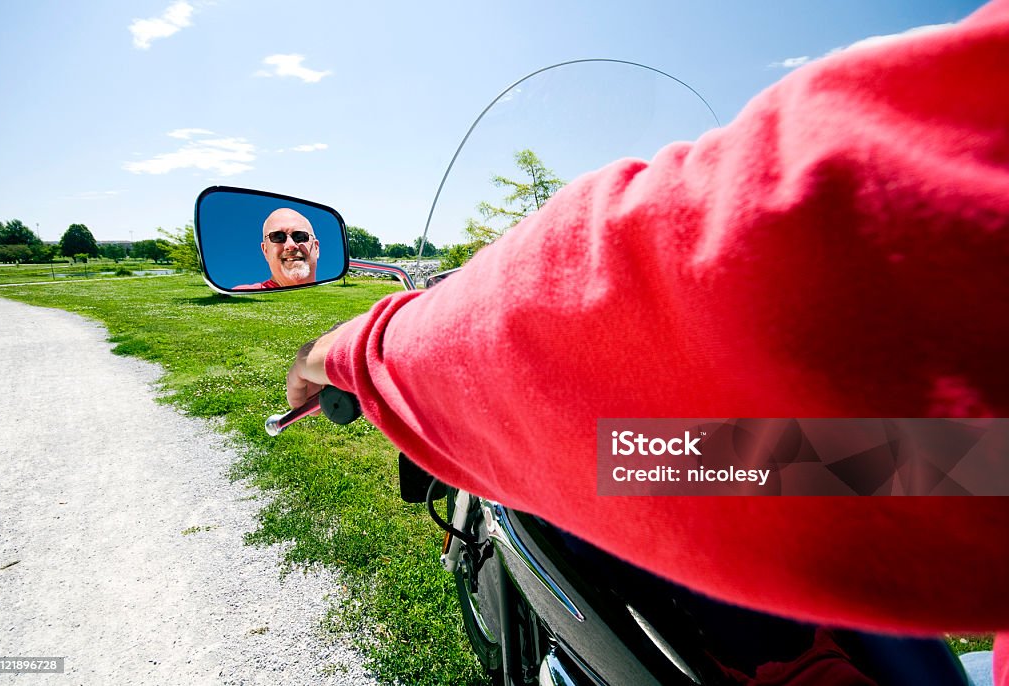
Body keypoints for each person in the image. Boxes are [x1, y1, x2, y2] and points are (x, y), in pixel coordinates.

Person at [287, 2, 1009, 683]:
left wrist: (362, 350)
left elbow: (733, 245)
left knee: (618, 455)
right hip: (969, 464)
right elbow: (953, 459)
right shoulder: (972, 443)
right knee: (712, 458)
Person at [234, 207, 319, 289]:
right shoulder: (243, 296)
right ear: (265, 251)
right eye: (278, 237)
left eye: (300, 236)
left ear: (316, 248)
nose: (291, 245)